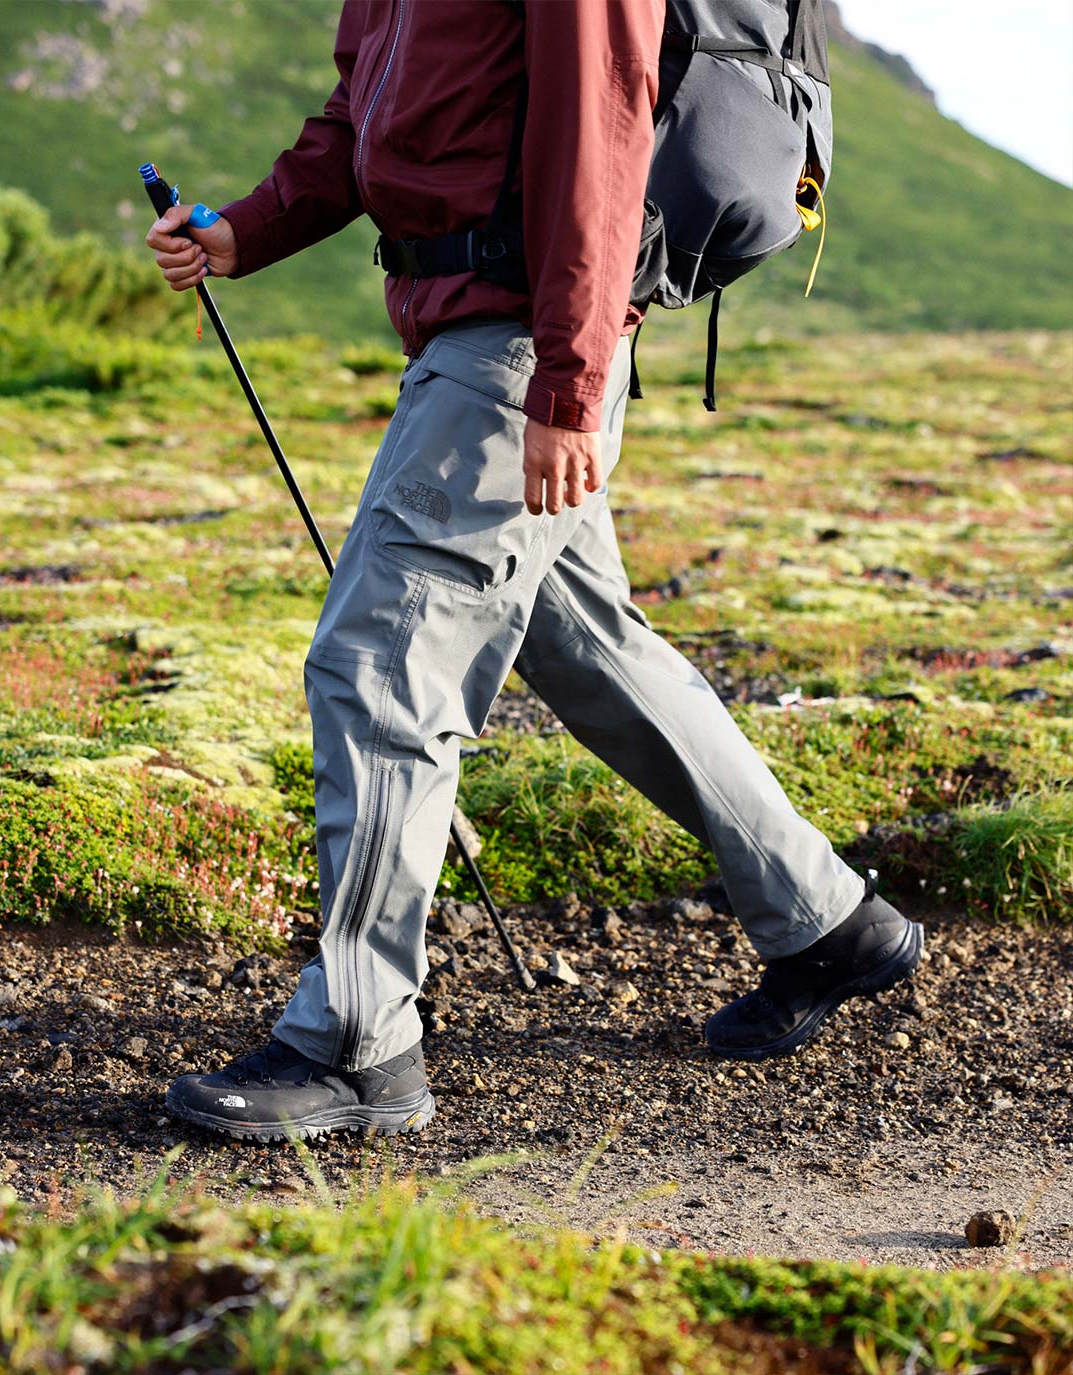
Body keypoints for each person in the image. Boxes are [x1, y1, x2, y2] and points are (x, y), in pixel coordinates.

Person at [146, 0, 922, 1143]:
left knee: (377, 665)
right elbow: (362, 117)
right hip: (481, 330)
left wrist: (566, 377)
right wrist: (242, 231)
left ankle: (357, 1040)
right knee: (594, 649)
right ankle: (824, 919)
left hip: (517, 350)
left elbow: (599, 131)